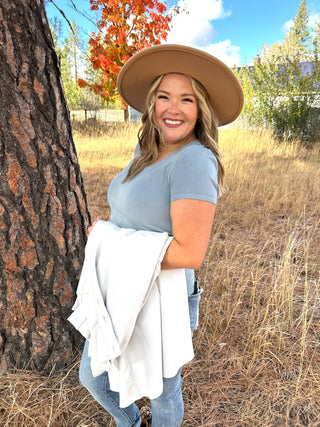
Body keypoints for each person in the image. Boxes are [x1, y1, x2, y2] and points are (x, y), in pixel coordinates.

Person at [78, 44, 244, 427]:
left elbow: (189, 253)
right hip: (119, 283)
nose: (173, 109)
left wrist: (109, 240)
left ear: (200, 108)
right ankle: (131, 423)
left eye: (187, 99)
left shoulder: (195, 159)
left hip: (163, 294)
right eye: (164, 97)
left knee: (163, 388)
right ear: (151, 103)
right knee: (93, 375)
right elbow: (137, 210)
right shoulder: (146, 148)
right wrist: (108, 231)